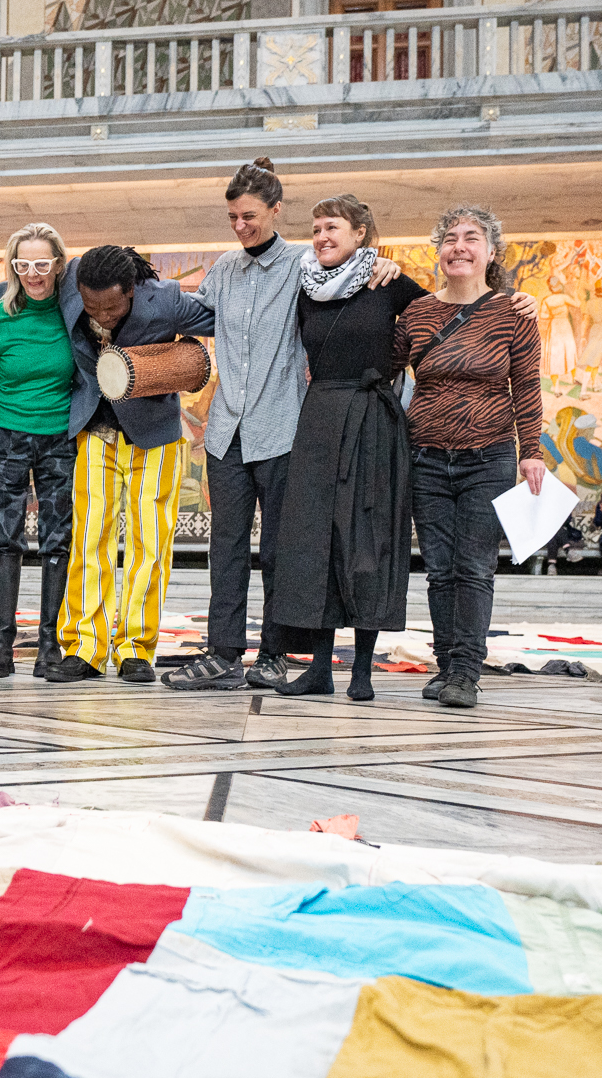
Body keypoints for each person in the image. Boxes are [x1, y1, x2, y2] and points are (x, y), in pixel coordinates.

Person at [162, 158, 404, 693]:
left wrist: (380, 264)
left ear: (275, 211)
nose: (240, 226)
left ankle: (273, 654)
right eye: (232, 217)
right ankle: (223, 653)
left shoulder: (304, 264)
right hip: (226, 432)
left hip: (284, 427)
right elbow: (197, 313)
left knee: (279, 550)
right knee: (225, 549)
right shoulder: (224, 269)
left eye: (249, 216)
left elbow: (354, 282)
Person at [264, 195, 428, 702]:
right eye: (315, 229)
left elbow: (445, 311)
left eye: (331, 227)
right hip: (318, 418)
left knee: (366, 540)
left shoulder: (387, 281)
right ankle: (319, 669)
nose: (321, 237)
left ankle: (362, 670)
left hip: (371, 418)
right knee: (316, 541)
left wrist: (513, 301)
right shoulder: (305, 286)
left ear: (360, 234)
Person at [47, 246, 215, 685]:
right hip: (94, 432)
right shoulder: (71, 280)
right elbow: (16, 293)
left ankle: (136, 649)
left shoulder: (166, 299)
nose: (101, 316)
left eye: (112, 308)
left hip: (155, 436)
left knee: (150, 544)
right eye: (92, 307)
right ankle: (84, 647)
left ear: (132, 291)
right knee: (89, 540)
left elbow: (221, 317)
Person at [400, 206, 545, 710]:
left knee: (475, 567)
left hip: (490, 458)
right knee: (439, 569)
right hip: (425, 457)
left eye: (471, 237)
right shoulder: (416, 313)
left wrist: (532, 453)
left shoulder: (514, 313)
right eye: (449, 238)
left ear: (491, 252)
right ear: (438, 251)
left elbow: (526, 385)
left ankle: (465, 671)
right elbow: (382, 369)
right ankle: (446, 666)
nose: (458, 246)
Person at [0, 224, 79, 679]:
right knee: (4, 539)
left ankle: (50, 645)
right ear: (12, 267)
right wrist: (2, 420)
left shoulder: (73, 316)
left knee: (58, 539)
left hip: (61, 436)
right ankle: (1, 647)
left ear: (58, 264)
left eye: (41, 264)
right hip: (8, 435)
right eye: (23, 265)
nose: (32, 274)